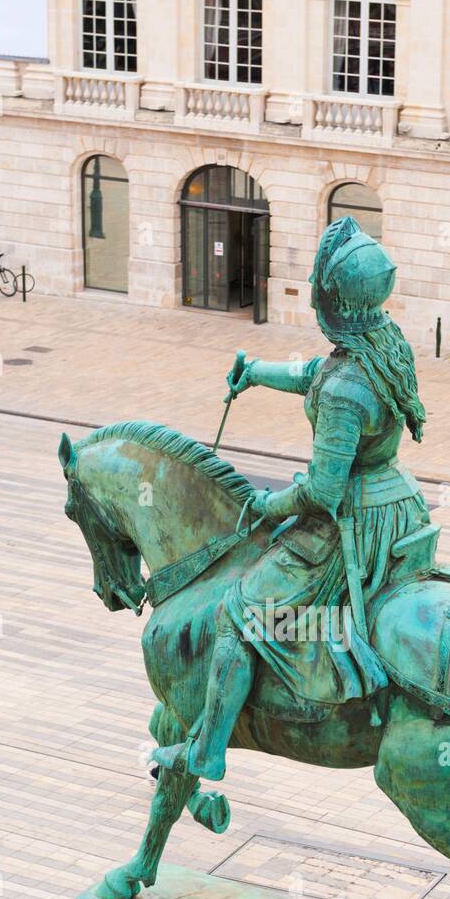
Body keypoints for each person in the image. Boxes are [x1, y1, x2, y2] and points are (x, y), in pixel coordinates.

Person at [151, 216, 430, 781]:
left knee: (241, 611)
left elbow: (323, 491)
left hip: (350, 523)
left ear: (333, 300)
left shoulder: (347, 388)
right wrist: (256, 371)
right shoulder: (384, 345)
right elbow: (314, 374)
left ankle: (207, 750)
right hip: (399, 505)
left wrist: (265, 504)